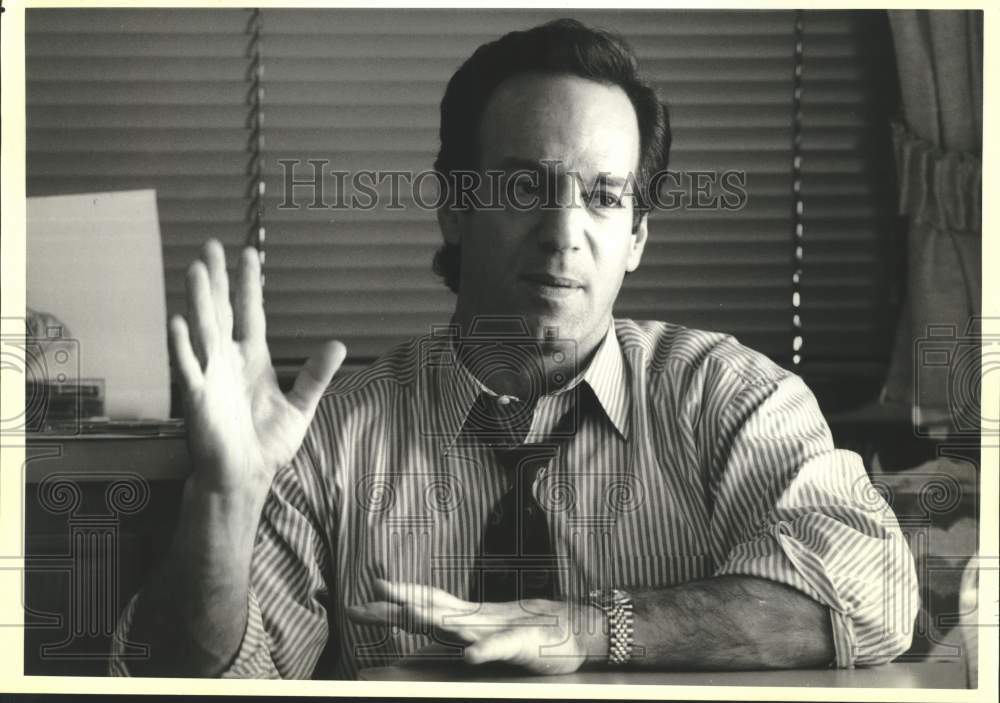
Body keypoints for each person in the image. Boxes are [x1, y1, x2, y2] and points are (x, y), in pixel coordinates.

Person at [111, 19, 918, 679]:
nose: (565, 235)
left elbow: (875, 592)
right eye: (524, 188)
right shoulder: (330, 436)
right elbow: (201, 681)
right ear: (454, 213)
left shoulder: (730, 398)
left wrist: (593, 629)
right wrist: (222, 502)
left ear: (637, 235)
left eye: (605, 197)